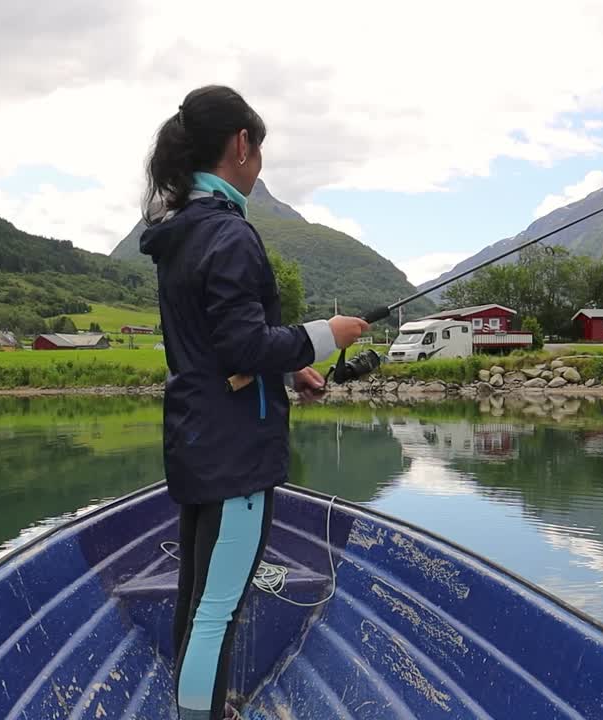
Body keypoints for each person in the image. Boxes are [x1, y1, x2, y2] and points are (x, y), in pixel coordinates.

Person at [138, 85, 369, 720]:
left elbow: (218, 342)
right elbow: (241, 345)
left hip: (197, 440)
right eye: (258, 146)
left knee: (197, 598)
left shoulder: (182, 232)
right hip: (236, 455)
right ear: (243, 145)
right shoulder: (230, 234)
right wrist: (327, 336)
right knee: (216, 611)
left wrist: (292, 366)